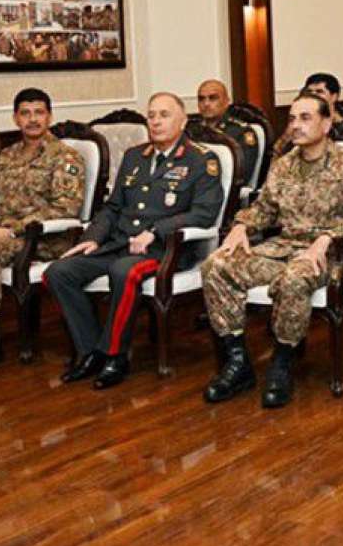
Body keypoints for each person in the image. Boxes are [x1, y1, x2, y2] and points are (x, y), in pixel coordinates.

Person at [199, 94, 343, 409]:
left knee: (295, 277)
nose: (296, 125)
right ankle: (238, 360)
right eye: (292, 118)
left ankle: (282, 361)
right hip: (284, 247)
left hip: (333, 255)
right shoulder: (283, 165)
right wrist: (241, 225)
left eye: (305, 118)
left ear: (326, 123)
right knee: (216, 265)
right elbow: (264, 210)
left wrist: (327, 238)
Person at [44, 93, 224, 390]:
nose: (156, 121)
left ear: (182, 121)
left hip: (166, 249)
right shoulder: (134, 156)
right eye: (151, 115)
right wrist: (93, 238)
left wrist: (156, 230)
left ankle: (114, 356)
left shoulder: (201, 159)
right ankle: (90, 351)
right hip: (119, 243)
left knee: (124, 271)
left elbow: (204, 214)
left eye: (164, 115)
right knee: (58, 272)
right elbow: (113, 207)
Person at [0, 89, 85, 370]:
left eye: (39, 112)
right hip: (2, 236)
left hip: (46, 239)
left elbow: (65, 208)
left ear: (49, 116)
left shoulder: (65, 156)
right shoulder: (7, 156)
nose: (33, 119)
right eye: (25, 113)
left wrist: (11, 230)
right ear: (16, 118)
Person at [195, 79, 259, 185]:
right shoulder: (192, 129)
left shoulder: (241, 133)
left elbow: (242, 174)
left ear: (226, 101)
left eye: (213, 98)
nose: (206, 103)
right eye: (201, 99)